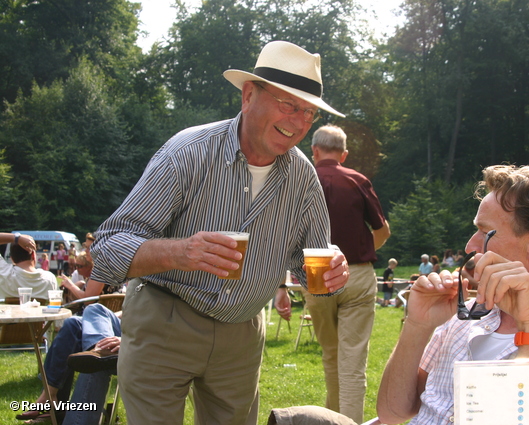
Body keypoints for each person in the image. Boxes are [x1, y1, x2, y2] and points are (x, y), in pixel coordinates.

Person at [87, 40, 350, 425]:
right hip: (164, 321)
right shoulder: (189, 152)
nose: (297, 122)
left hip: (241, 337)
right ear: (248, 95)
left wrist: (332, 273)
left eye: (308, 113)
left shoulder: (303, 177)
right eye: (288, 105)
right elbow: (107, 247)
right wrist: (182, 252)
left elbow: (310, 263)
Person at [377, 165, 529, 425]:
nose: (470, 246)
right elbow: (393, 413)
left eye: (484, 232)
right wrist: (417, 325)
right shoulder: (463, 315)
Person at [304, 124, 390, 423]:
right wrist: (364, 250)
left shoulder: (302, 179)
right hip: (357, 274)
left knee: (331, 356)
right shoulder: (356, 180)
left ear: (314, 150)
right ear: (344, 154)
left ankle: (332, 421)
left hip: (316, 276)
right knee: (352, 362)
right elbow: (382, 230)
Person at [16, 302, 121, 424]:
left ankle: (97, 352)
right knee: (73, 323)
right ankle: (50, 396)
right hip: (130, 328)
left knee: (94, 308)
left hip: (143, 340)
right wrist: (101, 320)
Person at [0, 232, 56, 300]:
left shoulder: (3, 272)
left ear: (12, 259)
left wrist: (17, 238)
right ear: (33, 255)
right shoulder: (50, 279)